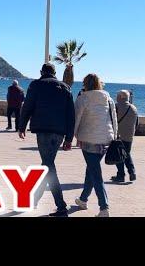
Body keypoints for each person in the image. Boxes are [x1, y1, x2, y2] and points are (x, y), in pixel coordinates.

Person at [18, 63, 75, 217]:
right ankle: (34, 199)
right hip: (59, 133)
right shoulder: (65, 88)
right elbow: (71, 115)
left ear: (41, 72)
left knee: (49, 166)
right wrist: (69, 138)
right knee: (47, 164)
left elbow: (27, 106)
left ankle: (61, 206)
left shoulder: (36, 85)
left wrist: (21, 126)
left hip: (43, 131)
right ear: (55, 72)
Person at [73, 74, 117, 217]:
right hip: (106, 140)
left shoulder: (83, 98)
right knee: (91, 169)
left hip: (89, 140)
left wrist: (72, 136)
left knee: (96, 173)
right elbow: (114, 119)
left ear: (85, 83)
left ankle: (104, 208)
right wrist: (114, 136)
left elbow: (77, 118)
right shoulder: (108, 99)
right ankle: (83, 199)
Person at [111, 89, 138, 183]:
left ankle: (121, 175)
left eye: (117, 96)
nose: (116, 97)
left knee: (119, 155)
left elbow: (111, 120)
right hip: (129, 136)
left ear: (121, 97)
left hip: (118, 135)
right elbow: (136, 123)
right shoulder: (133, 108)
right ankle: (132, 172)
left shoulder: (116, 106)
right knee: (127, 154)